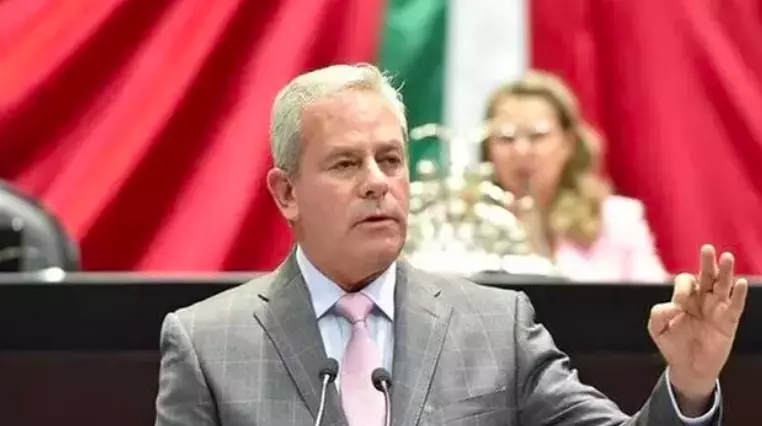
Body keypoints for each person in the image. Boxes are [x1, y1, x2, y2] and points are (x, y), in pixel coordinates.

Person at [154, 64, 748, 426]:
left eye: (391, 159)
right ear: (287, 194)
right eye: (345, 163)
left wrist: (690, 385)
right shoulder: (207, 343)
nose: (377, 182)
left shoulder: (496, 326)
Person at [482, 70, 666, 282]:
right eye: (506, 138)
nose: (521, 151)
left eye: (537, 136)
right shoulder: (468, 223)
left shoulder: (616, 219)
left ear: (568, 142)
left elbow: (653, 297)